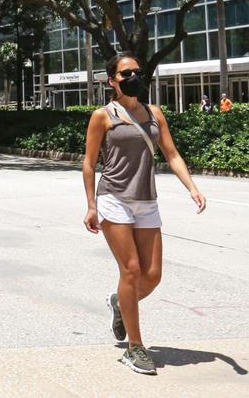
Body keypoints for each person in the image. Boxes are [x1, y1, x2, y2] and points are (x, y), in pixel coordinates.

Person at [82, 52, 207, 375]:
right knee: (132, 270)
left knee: (152, 275)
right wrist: (91, 206)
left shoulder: (154, 114)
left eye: (136, 72)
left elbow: (172, 153)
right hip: (114, 198)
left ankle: (119, 302)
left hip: (146, 199)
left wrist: (191, 187)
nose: (133, 77)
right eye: (126, 73)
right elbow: (89, 162)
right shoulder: (102, 116)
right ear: (112, 81)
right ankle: (135, 348)